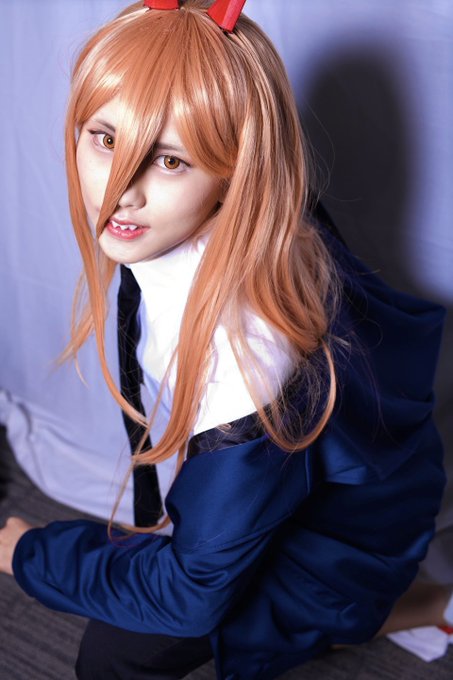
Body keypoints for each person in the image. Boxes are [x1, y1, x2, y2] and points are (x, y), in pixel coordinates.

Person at [0, 1, 451, 678]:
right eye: (105, 138)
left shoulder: (242, 365)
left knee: (115, 656)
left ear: (235, 172)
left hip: (342, 528)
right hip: (311, 484)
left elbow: (187, 599)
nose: (121, 191)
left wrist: (31, 553)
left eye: (170, 159)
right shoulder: (244, 217)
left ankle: (416, 604)